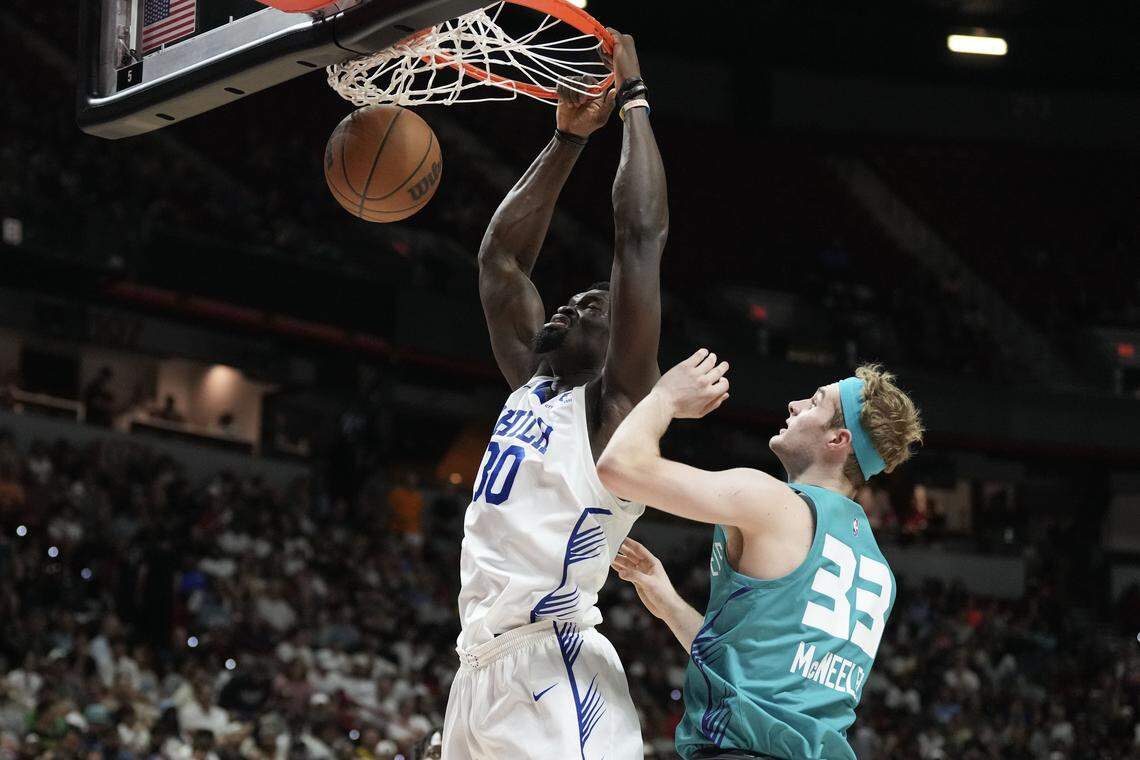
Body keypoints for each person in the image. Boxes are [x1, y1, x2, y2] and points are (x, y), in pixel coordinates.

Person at [441, 28, 666, 760]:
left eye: (593, 306)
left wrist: (633, 100)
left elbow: (638, 237)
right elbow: (501, 258)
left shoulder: (615, 414)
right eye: (568, 301)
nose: (570, 304)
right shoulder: (532, 386)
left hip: (554, 663)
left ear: (620, 341)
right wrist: (566, 141)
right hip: (477, 669)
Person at [597, 351, 924, 760]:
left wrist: (664, 398)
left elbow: (618, 468)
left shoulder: (771, 502)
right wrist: (669, 605)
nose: (796, 405)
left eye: (816, 402)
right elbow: (758, 676)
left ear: (838, 440)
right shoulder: (878, 567)